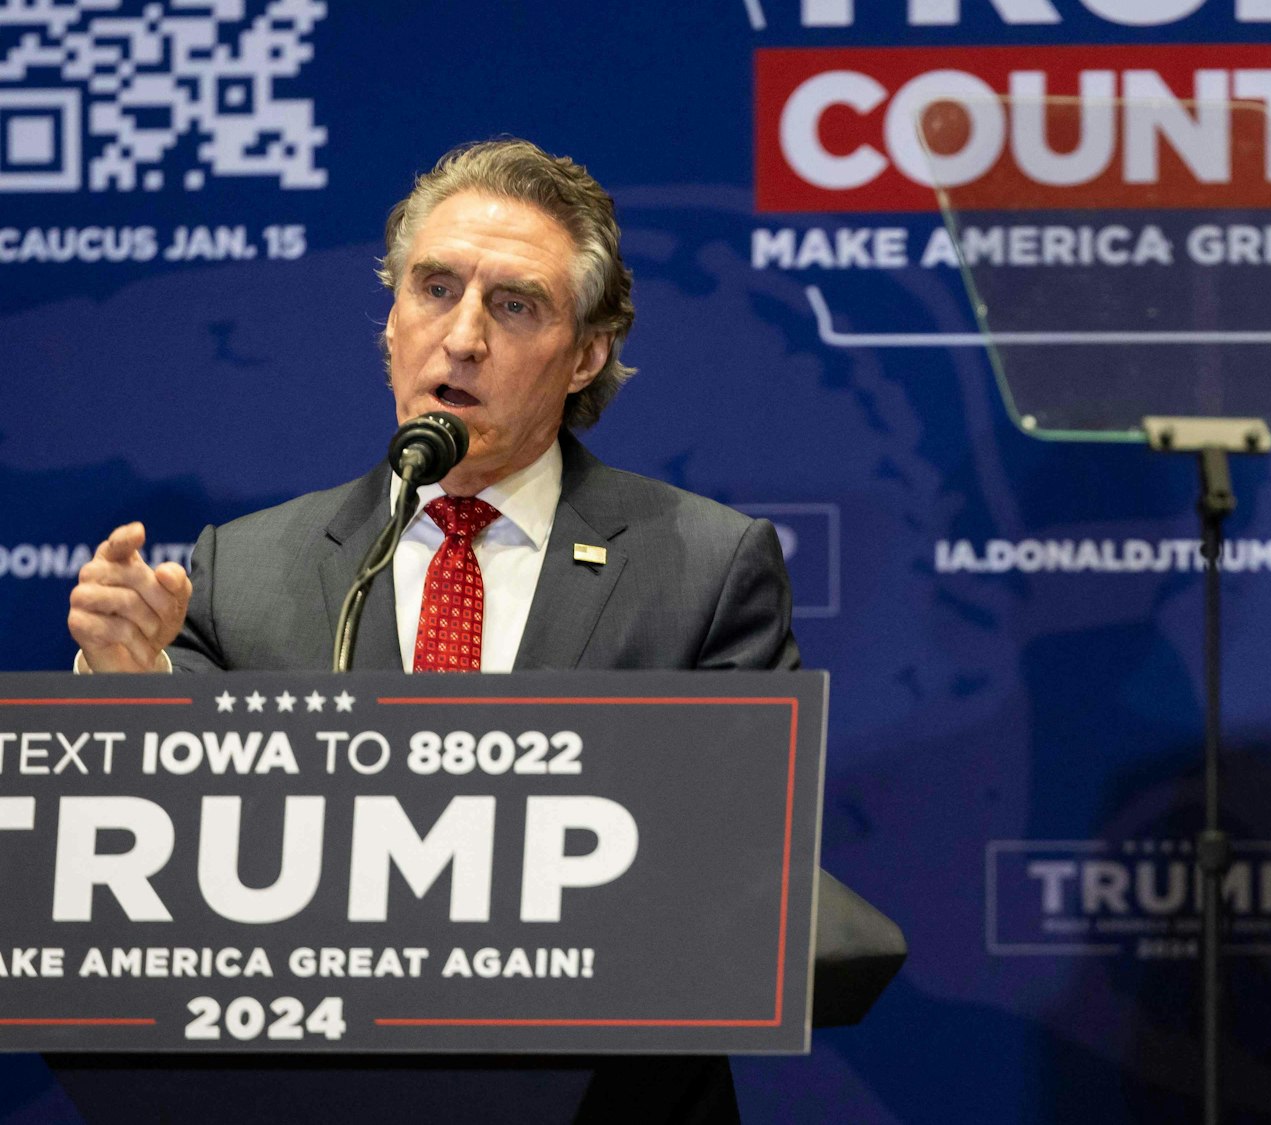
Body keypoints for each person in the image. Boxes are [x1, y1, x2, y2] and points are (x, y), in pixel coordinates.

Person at [60, 138, 792, 1123]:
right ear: (393, 319)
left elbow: (735, 872)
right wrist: (127, 684)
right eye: (435, 289)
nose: (463, 337)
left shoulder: (703, 565)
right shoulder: (246, 568)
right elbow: (168, 864)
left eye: (514, 305)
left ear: (585, 354)